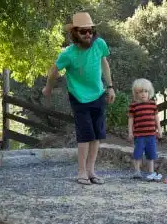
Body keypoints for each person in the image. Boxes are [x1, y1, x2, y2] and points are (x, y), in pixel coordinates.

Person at [43, 11, 116, 185]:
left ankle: (91, 171)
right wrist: (48, 88)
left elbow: (104, 63)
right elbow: (54, 70)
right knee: (85, 135)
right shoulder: (68, 54)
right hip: (79, 97)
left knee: (97, 134)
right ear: (75, 32)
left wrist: (110, 87)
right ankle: (81, 172)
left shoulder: (99, 44)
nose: (88, 34)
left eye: (90, 30)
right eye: (83, 31)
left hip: (98, 94)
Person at [127, 78, 163, 181]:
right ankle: (137, 171)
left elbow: (156, 118)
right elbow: (130, 119)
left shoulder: (152, 104)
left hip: (151, 135)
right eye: (140, 92)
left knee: (151, 154)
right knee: (137, 153)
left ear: (149, 92)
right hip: (139, 136)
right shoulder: (133, 106)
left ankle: (151, 172)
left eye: (146, 91)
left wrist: (159, 130)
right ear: (136, 93)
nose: (143, 94)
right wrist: (130, 132)